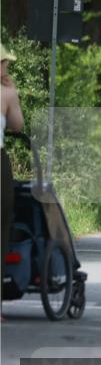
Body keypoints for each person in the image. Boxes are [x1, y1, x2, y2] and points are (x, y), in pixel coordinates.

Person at [2, 43, 25, 301]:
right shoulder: (5, 95)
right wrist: (12, 92)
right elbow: (18, 126)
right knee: (2, 225)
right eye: (5, 61)